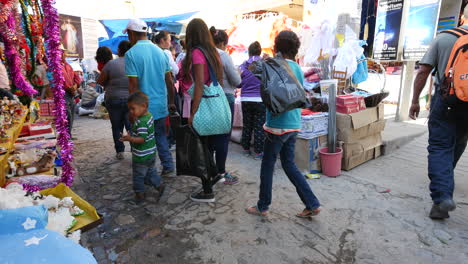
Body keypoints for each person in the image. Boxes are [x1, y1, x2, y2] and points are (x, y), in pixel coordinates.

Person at [246, 31, 321, 218]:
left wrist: (266, 61)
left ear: (277, 47)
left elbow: (251, 71)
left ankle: (263, 206)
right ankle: (312, 203)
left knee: (268, 165)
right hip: (293, 124)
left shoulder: (274, 66)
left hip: (277, 125)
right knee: (288, 164)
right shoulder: (296, 68)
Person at [409, 6, 468, 220]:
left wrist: (415, 101)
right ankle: (445, 178)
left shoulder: (445, 38)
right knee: (460, 140)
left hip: (448, 100)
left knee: (440, 146)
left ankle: (442, 195)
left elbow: (423, 71)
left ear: (462, 17)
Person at [182, 18, 227, 202]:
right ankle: (215, 174)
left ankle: (207, 191)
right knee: (205, 147)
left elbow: (199, 84)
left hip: (203, 104)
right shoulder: (213, 53)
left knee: (199, 148)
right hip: (215, 103)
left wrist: (193, 112)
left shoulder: (197, 54)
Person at [124, 19, 176, 176]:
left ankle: (148, 172)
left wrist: (132, 111)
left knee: (143, 140)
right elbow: (169, 80)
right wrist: (171, 102)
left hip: (142, 109)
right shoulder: (160, 52)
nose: (128, 38)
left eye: (128, 35)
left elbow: (133, 85)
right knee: (160, 137)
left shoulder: (131, 54)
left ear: (132, 33)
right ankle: (168, 166)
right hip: (160, 105)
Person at [209, 26, 241, 185]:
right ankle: (221, 172)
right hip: (225, 98)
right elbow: (237, 81)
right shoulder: (224, 56)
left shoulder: (204, 53)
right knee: (222, 137)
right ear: (222, 43)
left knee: (209, 136)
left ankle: (210, 169)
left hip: (207, 98)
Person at [120, 91, 165, 204]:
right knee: (151, 172)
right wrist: (131, 135)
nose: (131, 111)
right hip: (150, 153)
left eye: (132, 108)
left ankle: (139, 195)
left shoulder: (141, 122)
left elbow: (142, 139)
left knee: (138, 177)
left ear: (143, 106)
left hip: (141, 156)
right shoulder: (149, 115)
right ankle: (159, 185)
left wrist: (129, 139)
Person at [98, 40, 132, 160]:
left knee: (116, 126)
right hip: (130, 99)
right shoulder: (133, 63)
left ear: (119, 51)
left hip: (113, 99)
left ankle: (120, 151)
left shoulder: (111, 64)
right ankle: (135, 148)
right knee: (131, 125)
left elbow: (101, 81)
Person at [239, 41, 265, 159]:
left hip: (245, 99)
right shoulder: (264, 65)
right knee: (259, 126)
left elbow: (238, 83)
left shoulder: (243, 65)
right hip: (260, 99)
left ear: (249, 52)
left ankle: (245, 149)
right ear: (260, 52)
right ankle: (259, 152)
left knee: (247, 124)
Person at [61, 44, 81, 137]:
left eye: (63, 52)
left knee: (71, 115)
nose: (63, 54)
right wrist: (69, 88)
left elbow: (77, 78)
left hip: (71, 93)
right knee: (67, 115)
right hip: (64, 94)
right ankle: (66, 135)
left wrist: (75, 86)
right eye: (61, 52)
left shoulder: (67, 65)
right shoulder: (56, 67)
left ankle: (69, 134)